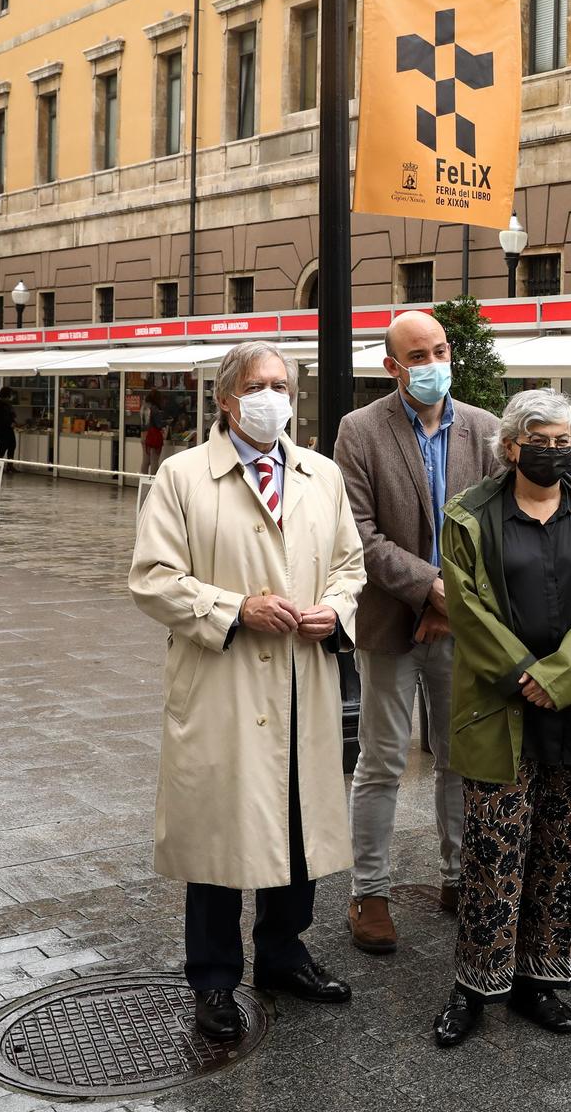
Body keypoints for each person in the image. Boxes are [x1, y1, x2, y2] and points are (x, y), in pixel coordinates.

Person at [129, 340, 366, 1040]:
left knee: (298, 827)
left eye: (283, 385)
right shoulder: (182, 477)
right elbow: (152, 578)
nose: (275, 398)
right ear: (227, 398)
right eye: (260, 385)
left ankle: (285, 954)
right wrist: (236, 609)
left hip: (304, 678)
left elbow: (351, 563)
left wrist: (338, 611)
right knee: (220, 837)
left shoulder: (320, 474)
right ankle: (213, 980)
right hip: (223, 687)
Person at [430, 389, 571, 1048]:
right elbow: (465, 608)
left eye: (564, 440)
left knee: (559, 854)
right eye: (541, 441)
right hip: (500, 706)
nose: (555, 452)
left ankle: (540, 980)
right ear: (511, 445)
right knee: (493, 855)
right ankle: (473, 987)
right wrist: (528, 675)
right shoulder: (469, 515)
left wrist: (560, 677)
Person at [333, 309, 501, 954]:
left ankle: (459, 876)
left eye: (439, 350)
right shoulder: (360, 430)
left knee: (460, 757)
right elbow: (359, 533)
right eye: (417, 356)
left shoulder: (485, 432)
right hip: (388, 622)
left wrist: (449, 603)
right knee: (381, 759)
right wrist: (432, 589)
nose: (432, 365)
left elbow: (495, 529)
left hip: (461, 626)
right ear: (392, 367)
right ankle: (368, 892)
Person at [142, 388, 169, 475]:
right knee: (154, 460)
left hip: (144, 435)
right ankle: (153, 482)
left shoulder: (144, 407)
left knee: (145, 461)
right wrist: (167, 422)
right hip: (154, 436)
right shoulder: (155, 409)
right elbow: (159, 424)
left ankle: (143, 481)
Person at [0, 386, 18, 467]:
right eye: (10, 395)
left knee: (12, 445)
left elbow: (11, 415)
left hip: (8, 428)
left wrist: (13, 421)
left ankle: (10, 466)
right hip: (1, 429)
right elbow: (0, 418)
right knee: (3, 447)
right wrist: (10, 423)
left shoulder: (7, 404)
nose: (11, 397)